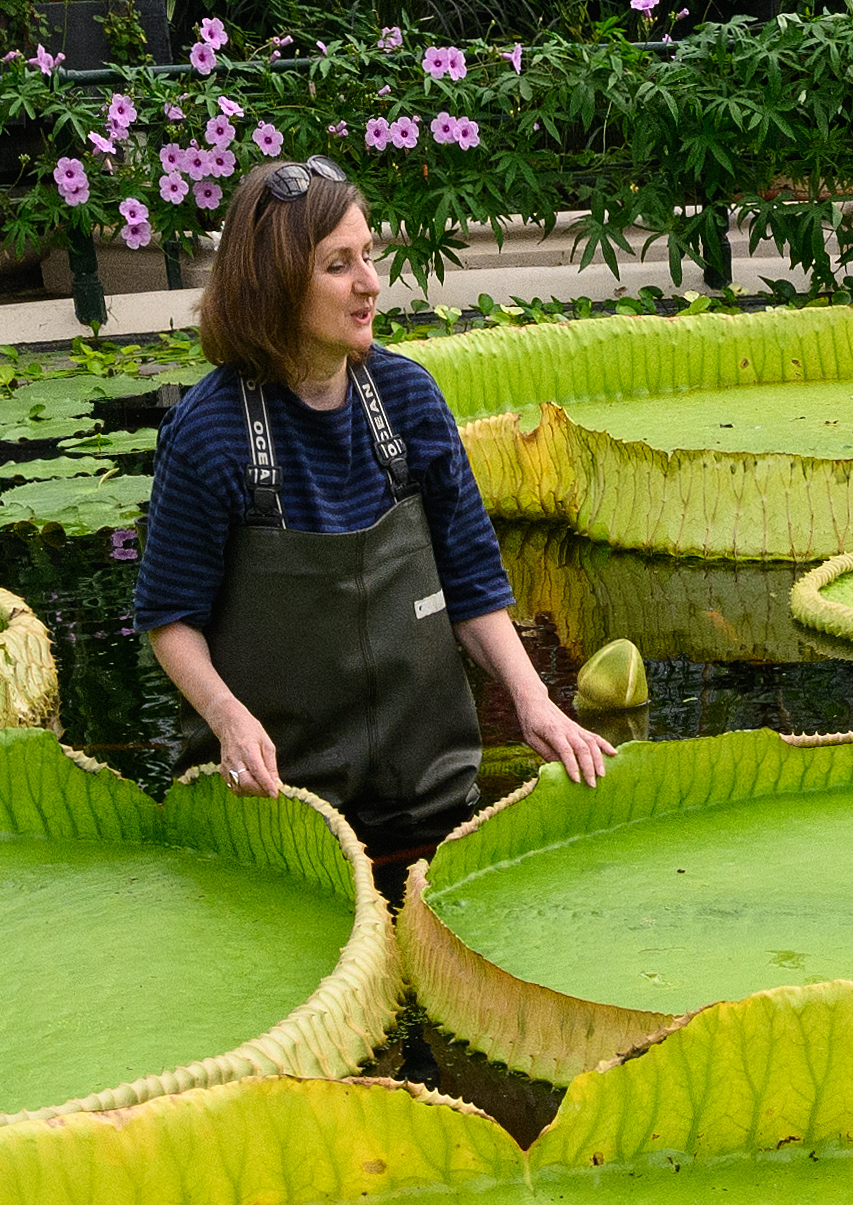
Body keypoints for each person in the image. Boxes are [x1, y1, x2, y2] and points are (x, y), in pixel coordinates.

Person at [136, 160, 613, 867]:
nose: (371, 283)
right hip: (277, 822)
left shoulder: (409, 400)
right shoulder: (208, 434)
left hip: (429, 808)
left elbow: (473, 585)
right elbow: (171, 618)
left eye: (369, 256)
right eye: (339, 265)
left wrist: (533, 700)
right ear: (273, 282)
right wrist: (227, 718)